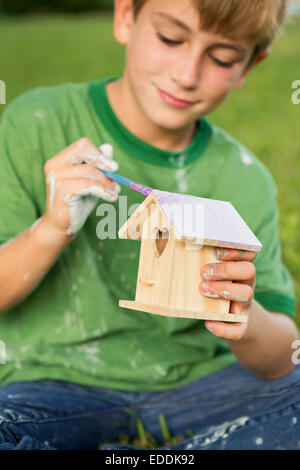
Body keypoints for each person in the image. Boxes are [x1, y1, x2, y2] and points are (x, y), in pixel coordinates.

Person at [0, 0, 299, 450]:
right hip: (49, 386)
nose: (186, 74)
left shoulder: (243, 176)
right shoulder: (38, 121)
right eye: (171, 39)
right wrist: (51, 227)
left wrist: (247, 318)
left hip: (201, 388)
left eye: (221, 58)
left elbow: (283, 356)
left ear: (248, 67)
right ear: (126, 17)